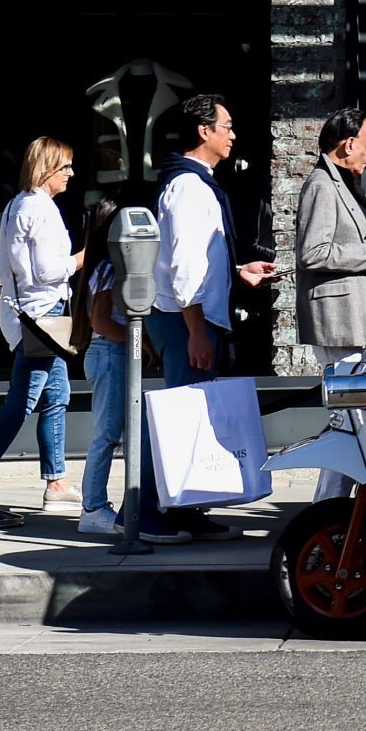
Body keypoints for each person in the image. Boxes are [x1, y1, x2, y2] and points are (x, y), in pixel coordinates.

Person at [136, 94, 278, 542]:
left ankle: (185, 508)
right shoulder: (189, 188)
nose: (233, 135)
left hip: (193, 317)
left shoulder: (197, 185)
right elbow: (182, 267)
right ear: (204, 131)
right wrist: (196, 329)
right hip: (185, 321)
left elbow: (198, 258)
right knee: (175, 418)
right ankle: (142, 513)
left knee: (190, 418)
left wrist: (237, 271)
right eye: (227, 126)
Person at [0, 137, 84, 513]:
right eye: (65, 167)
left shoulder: (17, 206)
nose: (71, 174)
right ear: (47, 169)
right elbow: (46, 271)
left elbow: (4, 267)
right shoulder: (40, 209)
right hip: (42, 315)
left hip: (29, 314)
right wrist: (83, 258)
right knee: (21, 402)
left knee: (56, 397)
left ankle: (56, 482)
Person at [295, 107, 366, 370]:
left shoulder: (348, 183)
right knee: (353, 400)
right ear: (350, 144)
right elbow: (312, 253)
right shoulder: (321, 184)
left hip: (363, 318)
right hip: (342, 321)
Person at [74, 200, 129, 534]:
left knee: (112, 433)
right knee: (106, 435)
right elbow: (103, 322)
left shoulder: (100, 267)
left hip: (107, 352)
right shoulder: (108, 268)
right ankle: (92, 507)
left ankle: (97, 505)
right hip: (110, 352)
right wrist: (136, 339)